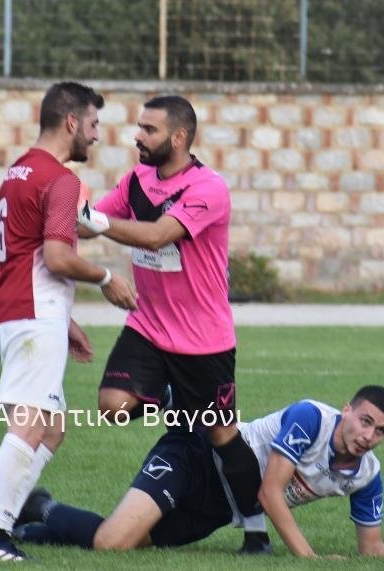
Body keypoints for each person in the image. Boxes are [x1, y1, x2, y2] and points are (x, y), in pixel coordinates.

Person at [76, 95, 267, 551]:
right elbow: (90, 223)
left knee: (222, 435)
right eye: (139, 127)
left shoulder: (208, 189)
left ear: (179, 138)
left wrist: (95, 220)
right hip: (148, 327)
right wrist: (69, 202)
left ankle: (257, 533)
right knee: (112, 405)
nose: (137, 136)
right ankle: (164, 394)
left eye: (149, 130)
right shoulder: (137, 178)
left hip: (204, 342)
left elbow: (159, 233)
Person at [0, 81, 137, 562]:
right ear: (71, 123)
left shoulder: (19, 169)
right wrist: (107, 277)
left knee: (53, 428)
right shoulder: (60, 179)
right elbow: (58, 258)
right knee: (28, 426)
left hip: (27, 310)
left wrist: (65, 320)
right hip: (30, 314)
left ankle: (10, 512)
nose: (97, 135)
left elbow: (28, 253)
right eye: (93, 124)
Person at [0, 385, 384, 563]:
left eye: (381, 431)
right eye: (366, 421)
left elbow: (370, 547)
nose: (369, 435)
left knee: (125, 543)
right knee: (114, 541)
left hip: (218, 508)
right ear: (348, 410)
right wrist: (309, 558)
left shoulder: (367, 474)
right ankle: (41, 509)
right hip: (197, 456)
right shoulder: (312, 418)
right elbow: (270, 492)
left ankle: (36, 518)